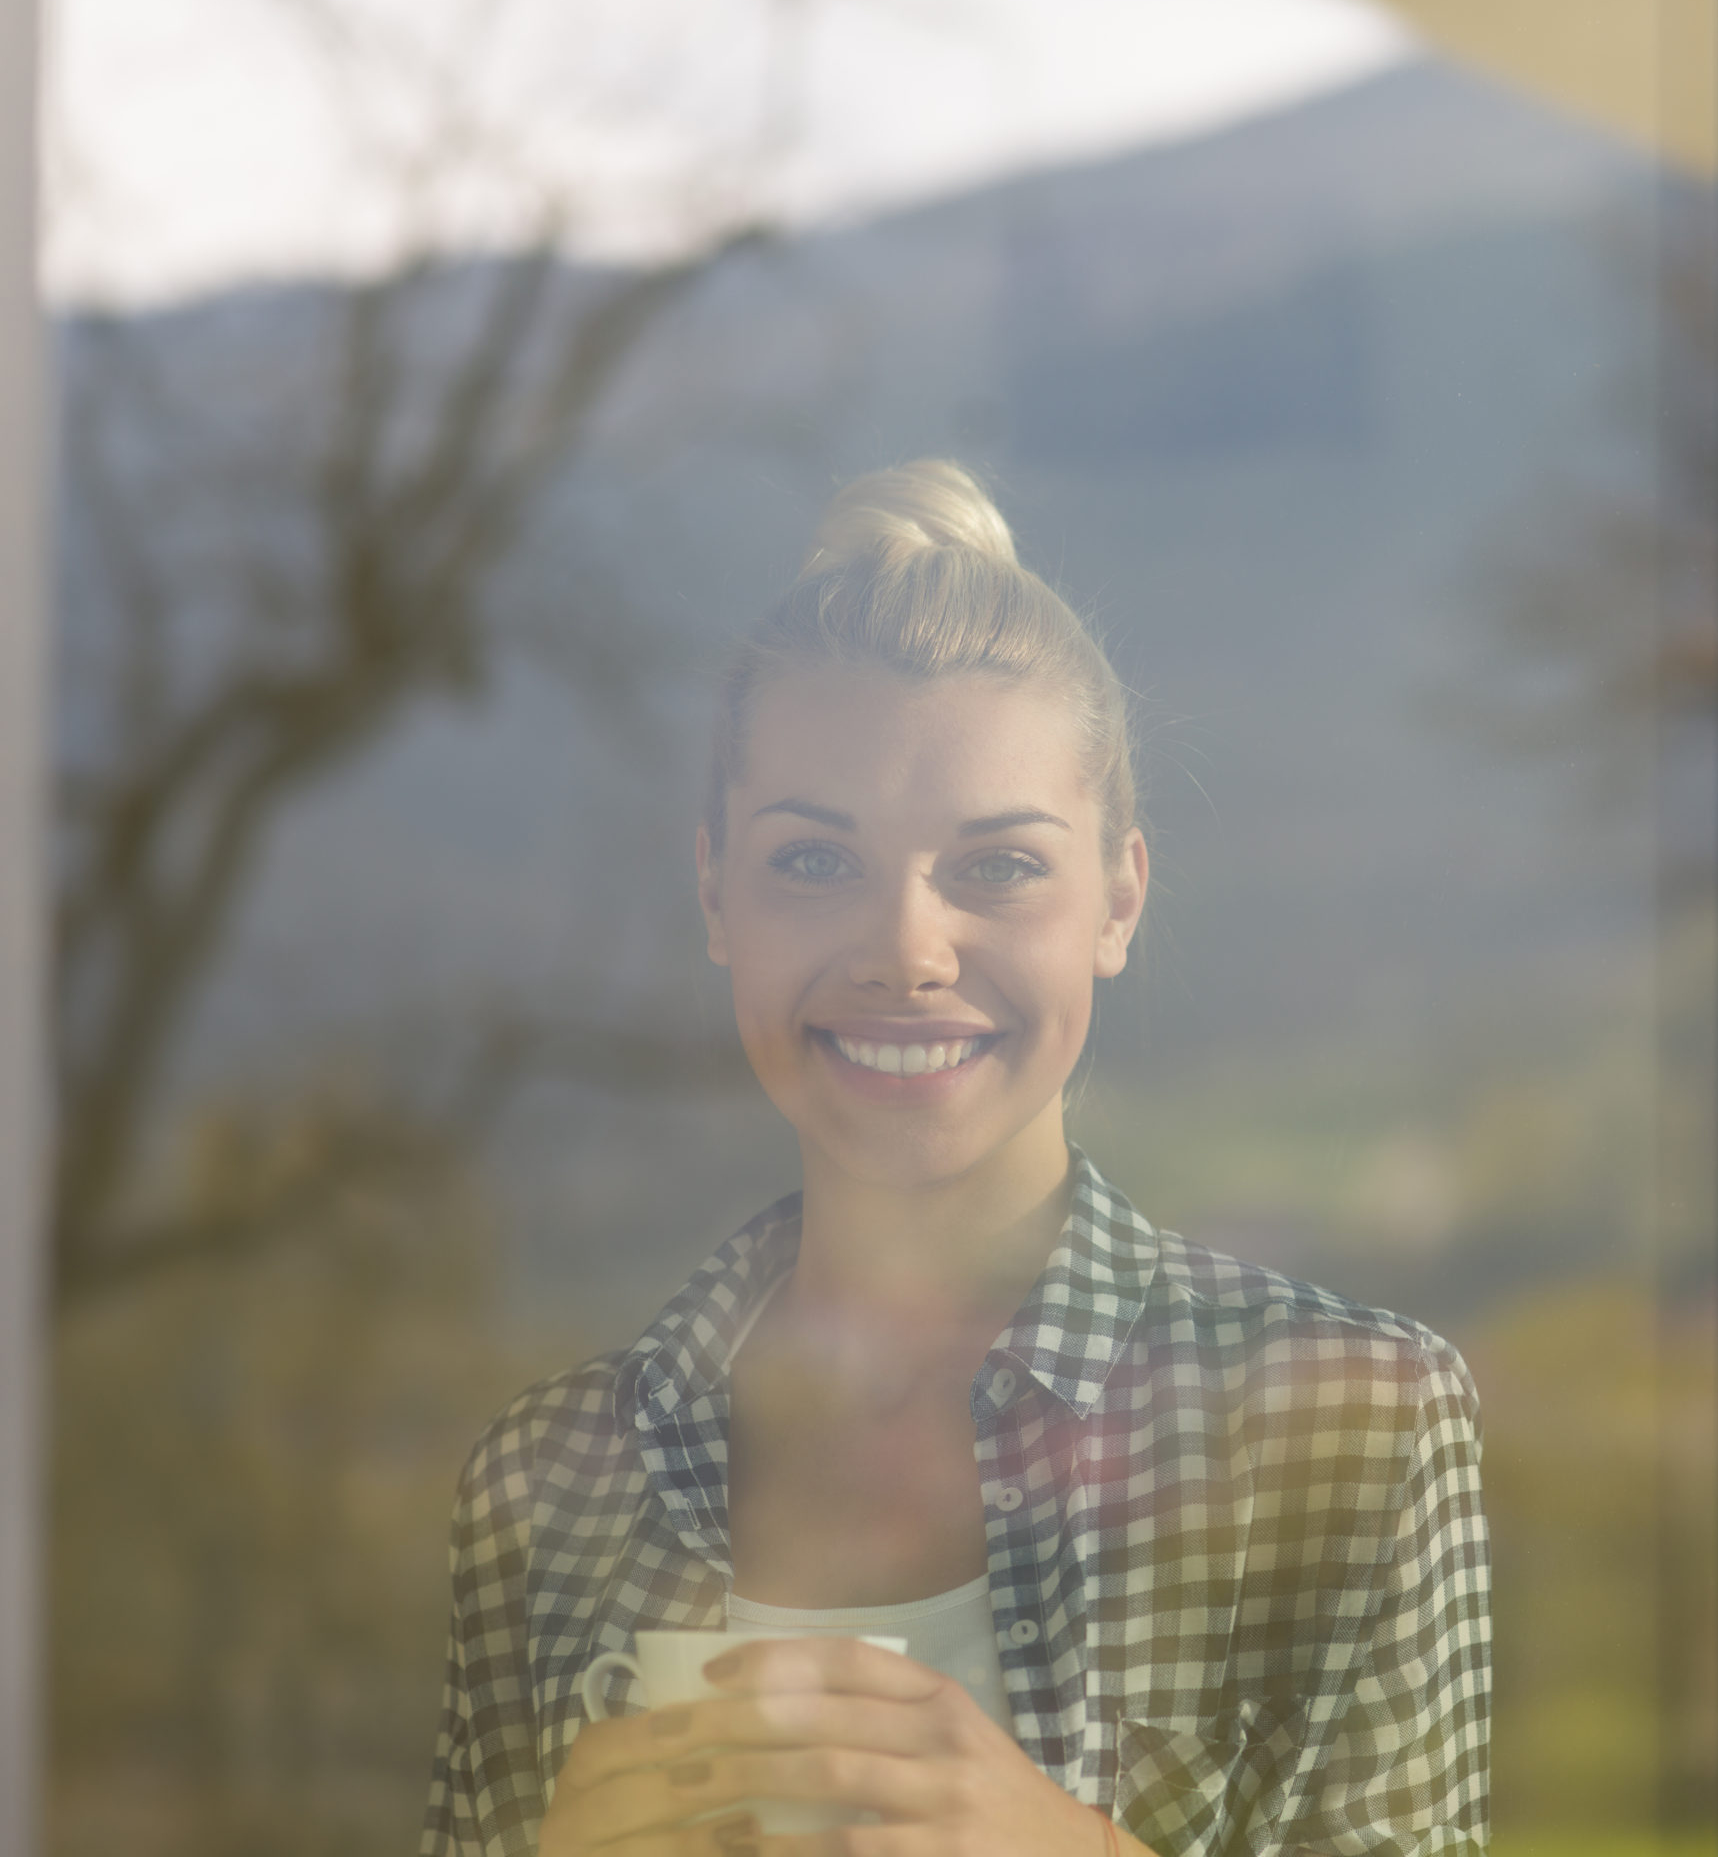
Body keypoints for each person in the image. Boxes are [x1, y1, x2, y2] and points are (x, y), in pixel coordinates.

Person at [420, 463, 1491, 1857]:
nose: (906, 949)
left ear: (1118, 897)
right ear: (714, 896)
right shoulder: (546, 1480)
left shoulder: (1358, 1432)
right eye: (813, 864)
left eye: (997, 868)